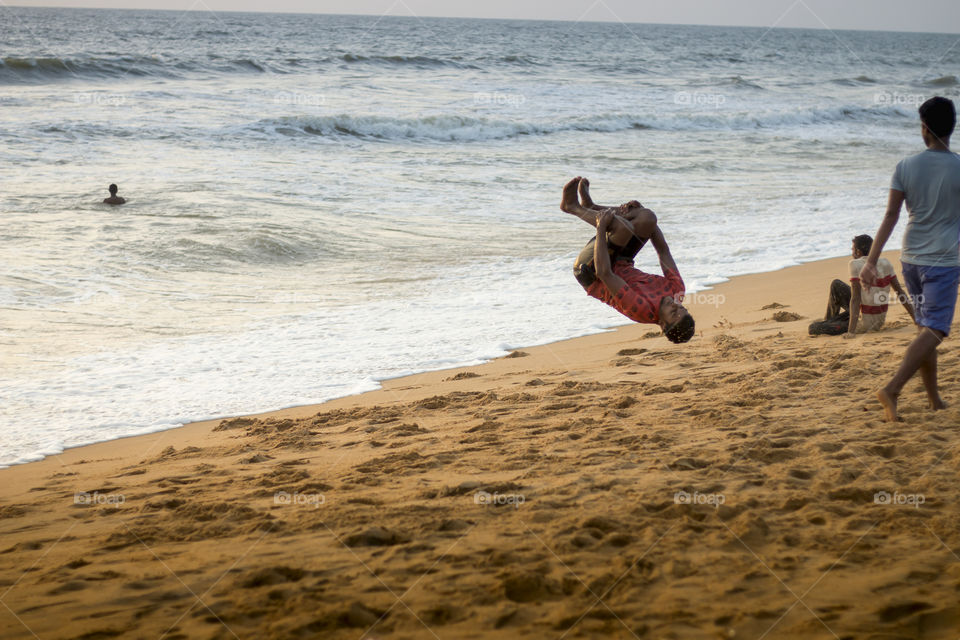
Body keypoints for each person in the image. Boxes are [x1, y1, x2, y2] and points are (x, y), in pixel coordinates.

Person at [860, 96, 960, 421]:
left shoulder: (906, 166)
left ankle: (933, 399)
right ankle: (892, 389)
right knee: (936, 329)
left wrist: (871, 261)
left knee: (925, 330)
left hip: (911, 258)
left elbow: (890, 215)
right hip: (943, 262)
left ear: (923, 129)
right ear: (952, 128)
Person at [560, 177, 695, 343]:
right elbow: (663, 251)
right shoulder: (677, 291)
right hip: (621, 261)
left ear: (662, 323)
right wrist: (644, 217)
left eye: (673, 312)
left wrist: (601, 227)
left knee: (623, 228)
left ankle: (572, 207)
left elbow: (605, 273)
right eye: (682, 308)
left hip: (591, 271)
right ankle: (592, 208)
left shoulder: (641, 309)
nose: (676, 305)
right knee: (648, 217)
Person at [809, 234, 914, 337]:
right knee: (836, 284)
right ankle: (830, 320)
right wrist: (916, 319)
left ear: (858, 252)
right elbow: (900, 292)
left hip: (864, 323)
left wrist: (851, 332)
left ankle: (831, 322)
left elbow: (856, 299)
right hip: (877, 318)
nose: (852, 252)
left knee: (813, 328)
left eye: (852, 249)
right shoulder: (885, 263)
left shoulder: (855, 264)